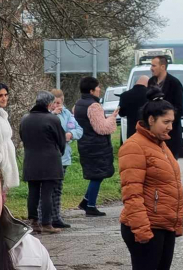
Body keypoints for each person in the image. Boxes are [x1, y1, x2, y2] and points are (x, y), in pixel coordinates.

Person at [118, 86, 183, 270]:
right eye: (165, 122)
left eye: (172, 121)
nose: (170, 126)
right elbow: (131, 193)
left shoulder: (160, 144)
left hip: (163, 226)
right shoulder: (135, 146)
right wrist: (142, 230)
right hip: (145, 227)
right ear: (150, 119)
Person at [20, 91, 67, 235]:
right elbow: (61, 140)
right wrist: (59, 152)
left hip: (30, 159)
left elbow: (22, 136)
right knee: (47, 193)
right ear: (49, 104)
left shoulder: (25, 119)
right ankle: (46, 223)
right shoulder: (52, 119)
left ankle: (33, 222)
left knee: (33, 192)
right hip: (50, 160)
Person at [74, 76, 116, 217]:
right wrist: (112, 118)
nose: (99, 89)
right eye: (97, 87)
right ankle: (90, 206)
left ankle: (86, 202)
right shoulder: (94, 106)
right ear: (92, 90)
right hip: (96, 145)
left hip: (85, 143)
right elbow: (101, 128)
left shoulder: (78, 104)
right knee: (97, 175)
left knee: (96, 174)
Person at [49, 89, 82, 229]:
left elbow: (79, 130)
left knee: (58, 188)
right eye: (54, 102)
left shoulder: (67, 114)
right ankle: (47, 217)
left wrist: (70, 134)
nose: (57, 105)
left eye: (59, 102)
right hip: (50, 157)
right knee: (49, 188)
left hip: (64, 156)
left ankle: (56, 216)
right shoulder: (47, 115)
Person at [149, 56, 183, 159]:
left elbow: (180, 108)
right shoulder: (151, 82)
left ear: (163, 66)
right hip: (154, 134)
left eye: (154, 65)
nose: (151, 68)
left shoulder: (175, 84)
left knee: (170, 167)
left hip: (171, 135)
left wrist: (166, 124)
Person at [118, 76, 150, 141]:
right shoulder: (150, 95)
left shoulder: (124, 95)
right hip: (146, 130)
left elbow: (121, 113)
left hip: (131, 130)